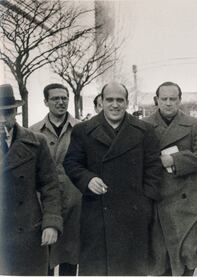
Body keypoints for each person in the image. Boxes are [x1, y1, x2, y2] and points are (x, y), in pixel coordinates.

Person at [63, 82, 162, 275]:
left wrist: (144, 203)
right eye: (110, 100)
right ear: (101, 101)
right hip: (97, 213)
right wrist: (87, 179)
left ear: (126, 102)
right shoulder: (83, 130)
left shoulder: (144, 130)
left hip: (133, 217)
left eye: (120, 100)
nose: (115, 105)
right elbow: (71, 163)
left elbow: (153, 169)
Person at [143, 82, 197, 276]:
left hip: (186, 203)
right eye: (163, 99)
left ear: (180, 100)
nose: (168, 103)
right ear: (156, 100)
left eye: (173, 99)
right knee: (160, 258)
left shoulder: (195, 125)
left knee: (188, 254)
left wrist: (172, 160)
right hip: (156, 201)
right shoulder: (144, 126)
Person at [0, 84, 63, 275]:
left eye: (8, 113)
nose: (3, 120)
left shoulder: (36, 142)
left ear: (16, 112)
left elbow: (50, 186)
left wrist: (51, 223)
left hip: (28, 231)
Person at [30, 83, 81, 276]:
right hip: (43, 204)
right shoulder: (34, 132)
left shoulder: (82, 129)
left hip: (75, 203)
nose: (61, 102)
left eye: (64, 98)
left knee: (70, 256)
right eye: (55, 98)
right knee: (44, 258)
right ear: (45, 102)